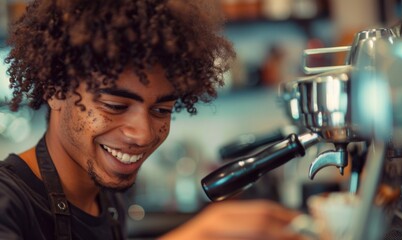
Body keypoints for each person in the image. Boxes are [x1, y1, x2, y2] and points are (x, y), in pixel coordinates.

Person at [2, 0, 304, 239]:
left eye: (161, 110)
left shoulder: (109, 199)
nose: (143, 134)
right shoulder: (8, 202)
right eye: (116, 106)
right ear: (55, 90)